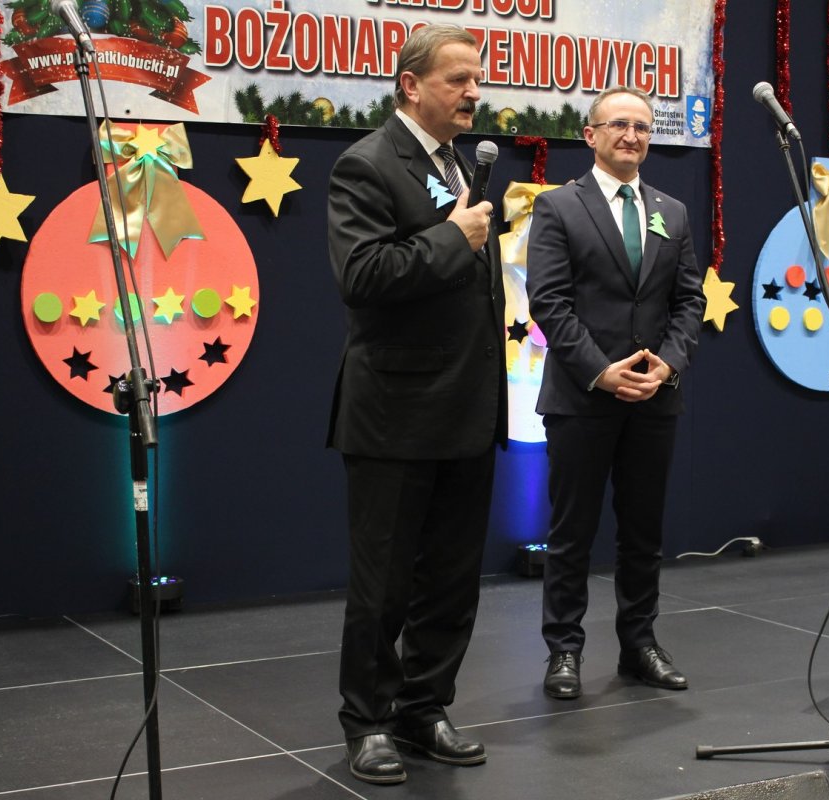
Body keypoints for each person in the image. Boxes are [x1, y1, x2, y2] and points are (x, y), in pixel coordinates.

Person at [325, 24, 506, 785]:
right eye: (458, 79)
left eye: (477, 79)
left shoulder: (459, 163)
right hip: (396, 413)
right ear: (410, 85)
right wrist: (454, 237)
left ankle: (424, 709)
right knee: (384, 586)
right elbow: (362, 275)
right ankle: (367, 721)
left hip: (466, 407)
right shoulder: (366, 164)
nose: (474, 93)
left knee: (452, 582)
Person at [525, 86, 706, 700]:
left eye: (643, 127)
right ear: (591, 134)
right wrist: (602, 372)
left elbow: (689, 301)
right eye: (619, 124)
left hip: (654, 399)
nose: (632, 135)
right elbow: (549, 302)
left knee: (643, 532)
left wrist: (668, 364)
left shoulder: (672, 212)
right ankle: (564, 650)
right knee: (571, 532)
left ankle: (640, 645)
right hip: (582, 398)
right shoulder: (557, 206)